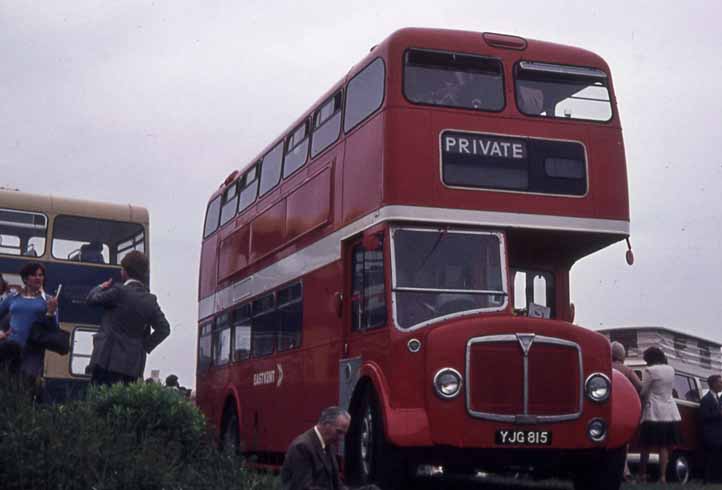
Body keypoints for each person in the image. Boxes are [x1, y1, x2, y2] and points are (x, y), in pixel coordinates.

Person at [86, 251, 170, 386]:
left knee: (100, 402)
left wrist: (101, 287)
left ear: (125, 272)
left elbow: (91, 299)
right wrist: (143, 346)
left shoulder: (119, 292)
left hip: (106, 360)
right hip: (132, 366)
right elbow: (164, 329)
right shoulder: (150, 300)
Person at [0, 263, 58, 377]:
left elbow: (54, 329)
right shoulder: (12, 297)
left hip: (33, 350)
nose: (38, 278)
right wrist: (1, 332)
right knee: (7, 381)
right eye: (34, 275)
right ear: (25, 278)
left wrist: (51, 312)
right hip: (11, 347)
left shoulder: (49, 300)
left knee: (27, 383)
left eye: (41, 275)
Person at [638, 346, 681, 483]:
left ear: (649, 359)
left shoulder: (650, 371)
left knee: (646, 445)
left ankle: (642, 475)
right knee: (664, 446)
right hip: (669, 410)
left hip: (653, 411)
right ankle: (663, 476)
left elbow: (644, 392)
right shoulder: (671, 369)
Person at [281, 406, 350, 490]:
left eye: (343, 433)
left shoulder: (329, 446)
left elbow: (337, 485)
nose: (341, 437)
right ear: (326, 425)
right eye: (339, 432)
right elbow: (304, 487)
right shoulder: (302, 447)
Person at [611, 341, 642, 481]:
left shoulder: (602, 366)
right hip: (621, 410)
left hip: (605, 408)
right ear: (622, 355)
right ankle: (624, 472)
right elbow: (640, 387)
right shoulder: (627, 370)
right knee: (623, 443)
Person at [700, 374, 722, 483]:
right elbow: (704, 416)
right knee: (710, 458)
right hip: (710, 434)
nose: (721, 384)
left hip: (718, 434)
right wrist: (719, 414)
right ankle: (707, 480)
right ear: (713, 384)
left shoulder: (718, 398)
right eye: (720, 382)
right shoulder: (706, 399)